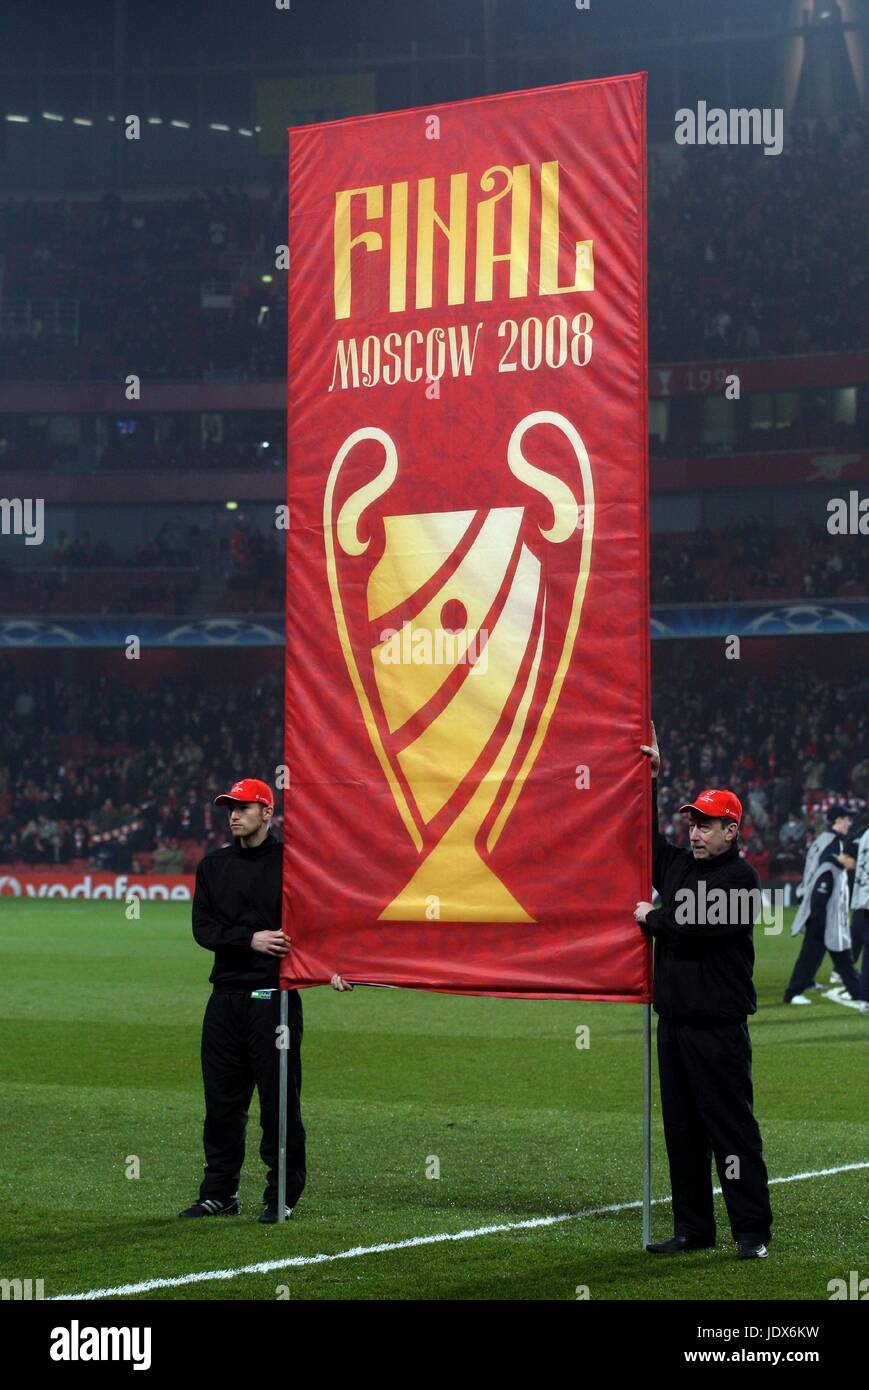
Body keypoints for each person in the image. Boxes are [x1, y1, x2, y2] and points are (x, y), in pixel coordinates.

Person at [636, 722, 773, 1260]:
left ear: (732, 831)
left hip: (718, 1030)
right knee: (683, 1134)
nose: (695, 832)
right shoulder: (675, 865)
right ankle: (695, 1229)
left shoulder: (742, 881)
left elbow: (691, 929)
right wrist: (648, 778)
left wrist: (652, 917)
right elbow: (640, 839)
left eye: (708, 824)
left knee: (732, 1133)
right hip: (674, 1026)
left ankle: (753, 1231)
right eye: (692, 822)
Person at [178, 777, 305, 1223]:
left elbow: (312, 924)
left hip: (275, 1001)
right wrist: (248, 939)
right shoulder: (213, 866)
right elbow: (202, 929)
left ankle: (282, 1194)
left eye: (244, 807)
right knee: (221, 1104)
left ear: (267, 813)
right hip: (225, 998)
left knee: (278, 1104)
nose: (233, 814)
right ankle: (219, 1192)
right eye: (229, 807)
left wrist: (331, 967)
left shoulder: (292, 864)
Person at [784, 806, 860, 1006]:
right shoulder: (833, 844)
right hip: (820, 902)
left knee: (822, 950)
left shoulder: (822, 840)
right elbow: (828, 870)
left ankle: (807, 984)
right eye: (846, 819)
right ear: (837, 820)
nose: (849, 823)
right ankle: (793, 992)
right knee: (817, 950)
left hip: (814, 898)